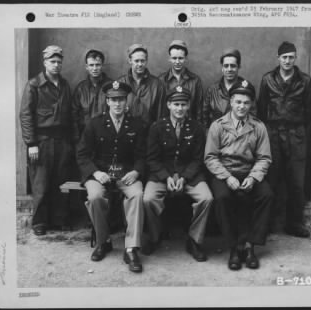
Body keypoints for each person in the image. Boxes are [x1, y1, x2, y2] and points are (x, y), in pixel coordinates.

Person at [76, 81, 146, 273]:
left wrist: (136, 171)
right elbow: (82, 154)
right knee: (95, 197)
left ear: (126, 101)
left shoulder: (137, 124)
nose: (117, 104)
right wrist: (96, 173)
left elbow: (142, 155)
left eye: (121, 99)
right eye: (113, 100)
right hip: (100, 173)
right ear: (107, 101)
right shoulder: (95, 123)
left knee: (137, 195)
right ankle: (103, 241)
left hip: (126, 174)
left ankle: (131, 248)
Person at [205, 80, 273, 271]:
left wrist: (253, 177)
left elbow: (264, 157)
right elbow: (210, 157)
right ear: (231, 102)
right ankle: (234, 248)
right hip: (225, 172)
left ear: (251, 104)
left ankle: (250, 246)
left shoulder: (258, 126)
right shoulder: (217, 126)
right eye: (238, 102)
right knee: (223, 197)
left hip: (249, 171)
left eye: (246, 102)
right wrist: (227, 177)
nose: (242, 106)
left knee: (265, 195)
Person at [143, 86, 213, 262]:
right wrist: (166, 177)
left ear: (188, 106)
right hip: (162, 174)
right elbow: (152, 159)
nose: (180, 108)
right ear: (168, 105)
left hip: (189, 175)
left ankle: (194, 240)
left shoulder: (197, 128)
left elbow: (198, 159)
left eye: (183, 104)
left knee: (206, 198)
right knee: (148, 199)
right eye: (176, 104)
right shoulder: (157, 127)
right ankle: (155, 236)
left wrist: (184, 177)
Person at [257, 41, 311, 238]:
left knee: (297, 182)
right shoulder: (268, 79)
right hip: (273, 134)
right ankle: (268, 222)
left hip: (296, 135)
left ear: (295, 58)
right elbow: (262, 108)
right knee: (271, 179)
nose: (288, 61)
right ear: (278, 58)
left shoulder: (305, 81)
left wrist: (297, 130)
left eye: (291, 57)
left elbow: (310, 111)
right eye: (284, 57)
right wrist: (270, 131)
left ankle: (295, 223)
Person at [19, 45, 75, 236]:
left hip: (63, 141)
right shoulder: (34, 85)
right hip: (41, 141)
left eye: (59, 61)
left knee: (61, 182)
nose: (56, 65)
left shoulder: (65, 84)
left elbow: (71, 114)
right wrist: (31, 144)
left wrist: (71, 143)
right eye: (52, 61)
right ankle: (40, 223)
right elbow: (25, 115)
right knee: (41, 184)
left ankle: (60, 220)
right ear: (45, 63)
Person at [117, 43, 166, 126]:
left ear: (146, 61)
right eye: (136, 61)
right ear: (130, 61)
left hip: (149, 133)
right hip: (126, 133)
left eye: (142, 61)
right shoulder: (121, 83)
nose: (140, 64)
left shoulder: (157, 85)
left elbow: (161, 114)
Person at [202, 48, 251, 128]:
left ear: (239, 66)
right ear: (222, 68)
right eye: (226, 66)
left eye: (233, 66)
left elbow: (253, 117)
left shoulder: (247, 89)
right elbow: (204, 117)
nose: (229, 69)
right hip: (217, 135)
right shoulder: (212, 90)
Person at [158, 40, 204, 122]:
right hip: (167, 127)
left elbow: (199, 108)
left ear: (186, 58)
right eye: (174, 58)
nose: (177, 62)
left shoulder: (195, 80)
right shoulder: (161, 80)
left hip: (190, 126)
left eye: (180, 58)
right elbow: (159, 108)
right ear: (169, 59)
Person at [72, 49, 112, 141]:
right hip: (85, 136)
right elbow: (74, 115)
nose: (94, 68)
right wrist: (77, 138)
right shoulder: (80, 88)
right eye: (91, 65)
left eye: (97, 65)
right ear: (86, 67)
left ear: (102, 65)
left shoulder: (111, 86)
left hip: (107, 136)